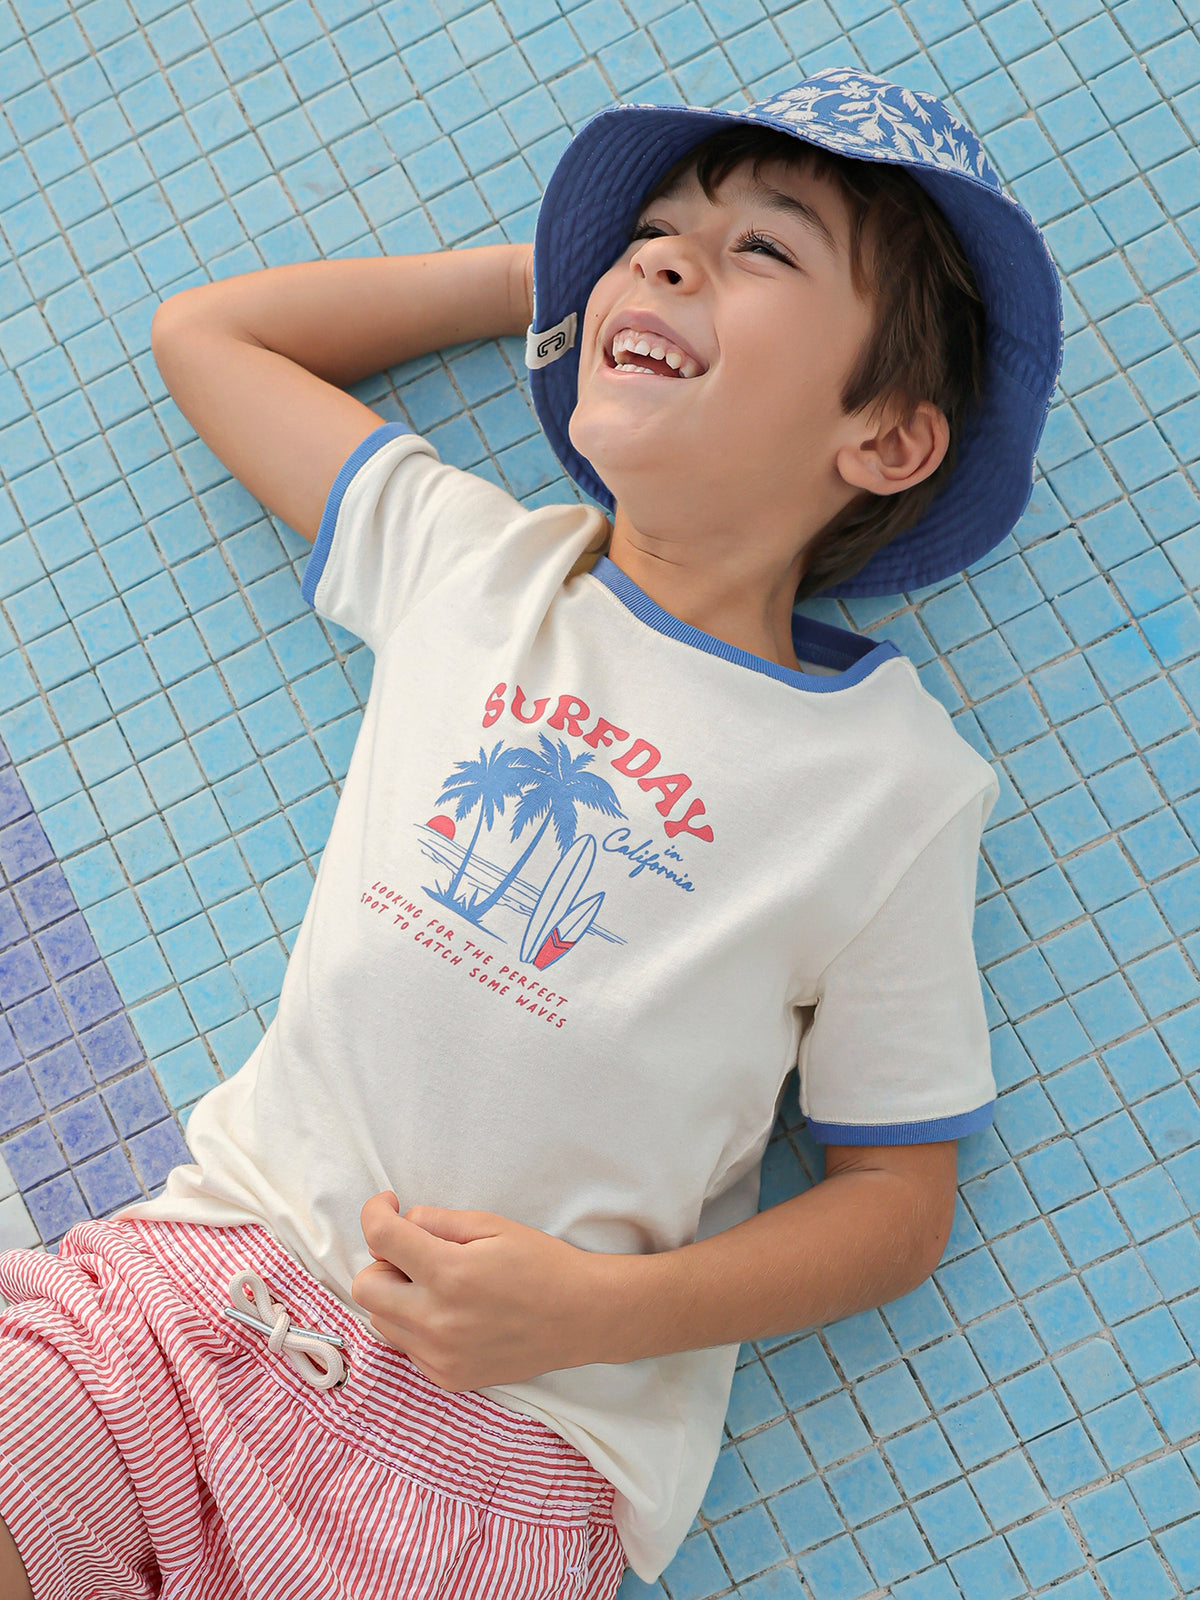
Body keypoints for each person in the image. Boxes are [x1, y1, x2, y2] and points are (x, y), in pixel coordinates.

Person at [0, 66, 1062, 1599]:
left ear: (889, 439)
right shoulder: (480, 567)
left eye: (763, 249)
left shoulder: (890, 782)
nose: (668, 261)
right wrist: (544, 289)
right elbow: (211, 338)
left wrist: (593, 1314)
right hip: (200, 1297)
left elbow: (896, 1208)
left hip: (502, 1453)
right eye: (650, 236)